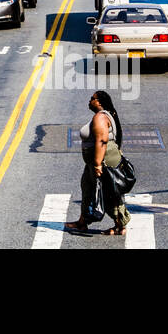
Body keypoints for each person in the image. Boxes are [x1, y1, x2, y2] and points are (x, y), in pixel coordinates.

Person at [64, 90, 130, 236]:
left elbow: (102, 141)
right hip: (94, 161)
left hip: (102, 161)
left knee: (109, 192)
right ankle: (82, 222)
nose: (90, 100)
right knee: (87, 187)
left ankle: (120, 225)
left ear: (99, 102)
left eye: (92, 98)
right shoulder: (103, 116)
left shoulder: (100, 118)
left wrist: (98, 164)